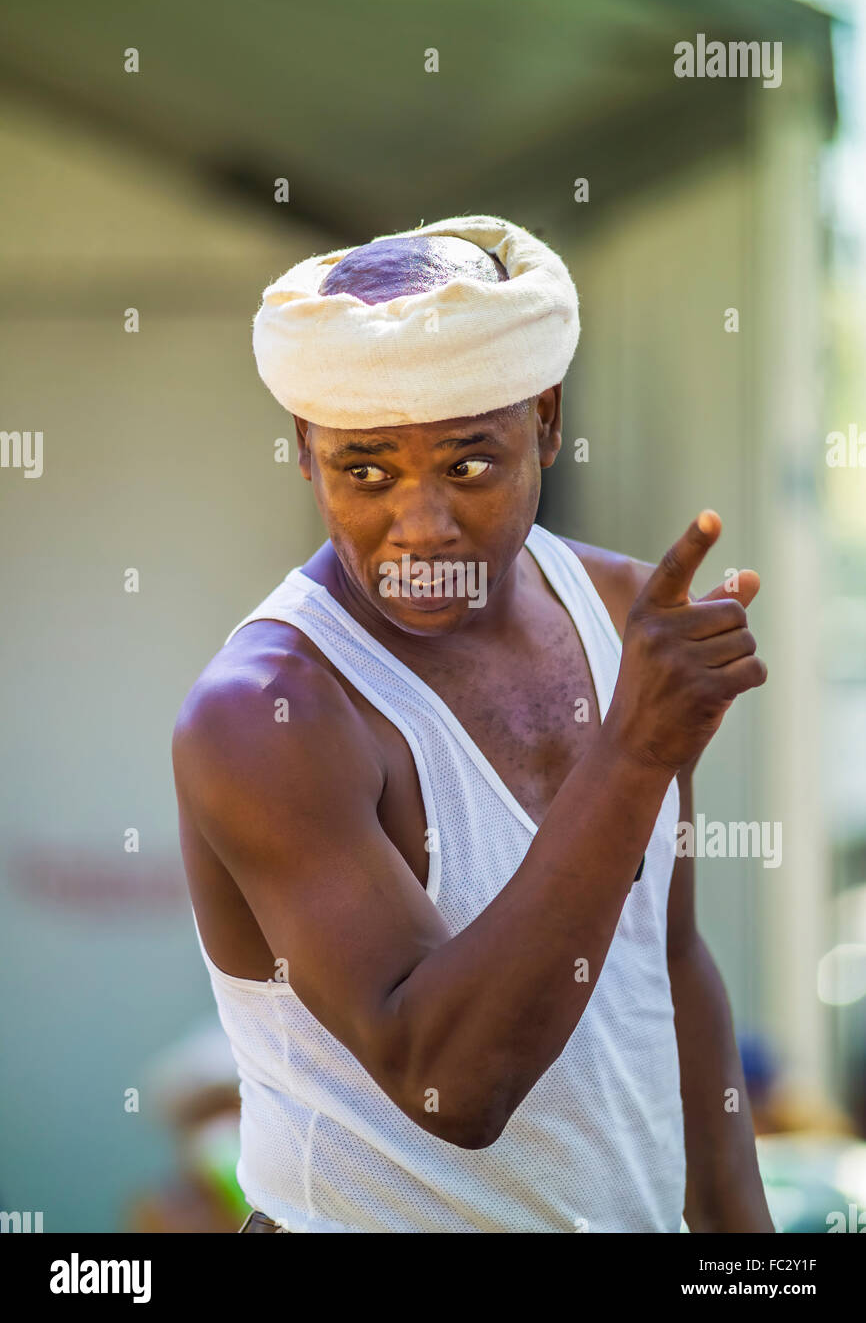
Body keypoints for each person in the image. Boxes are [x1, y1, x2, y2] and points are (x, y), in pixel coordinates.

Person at [172, 214, 774, 1233]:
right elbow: (451, 1084)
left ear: (543, 423)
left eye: (467, 466)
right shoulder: (267, 712)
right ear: (306, 454)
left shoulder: (624, 616)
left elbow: (664, 962)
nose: (421, 527)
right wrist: (634, 750)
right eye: (366, 470)